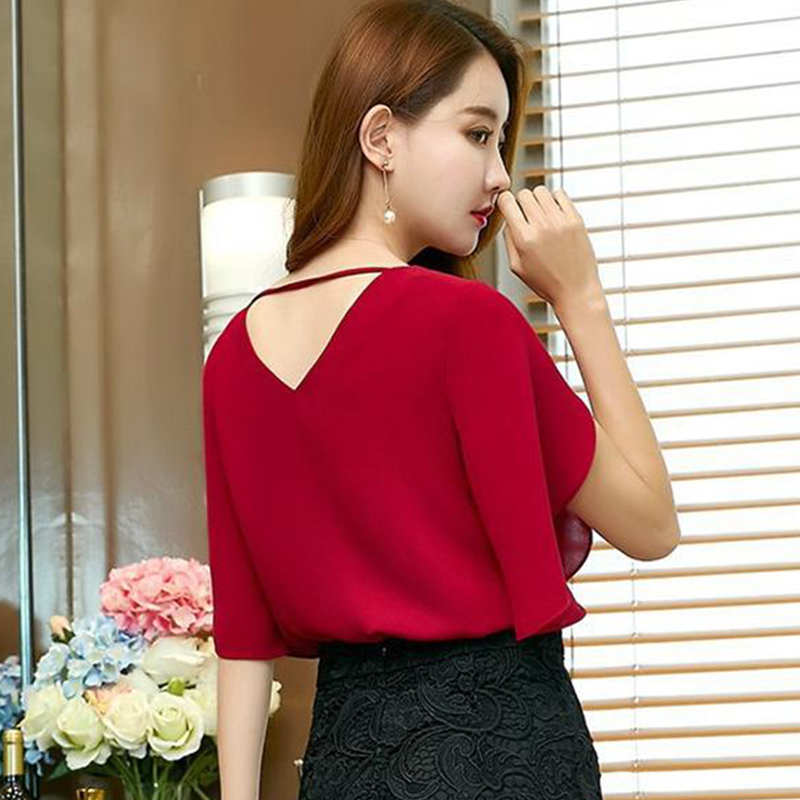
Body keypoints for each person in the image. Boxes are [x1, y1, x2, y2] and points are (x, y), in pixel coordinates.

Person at [201, 1, 681, 798]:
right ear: (381, 137)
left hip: (344, 767)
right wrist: (581, 298)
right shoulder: (467, 323)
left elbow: (244, 639)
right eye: (477, 134)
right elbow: (652, 525)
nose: (500, 175)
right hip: (504, 756)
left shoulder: (232, 360)